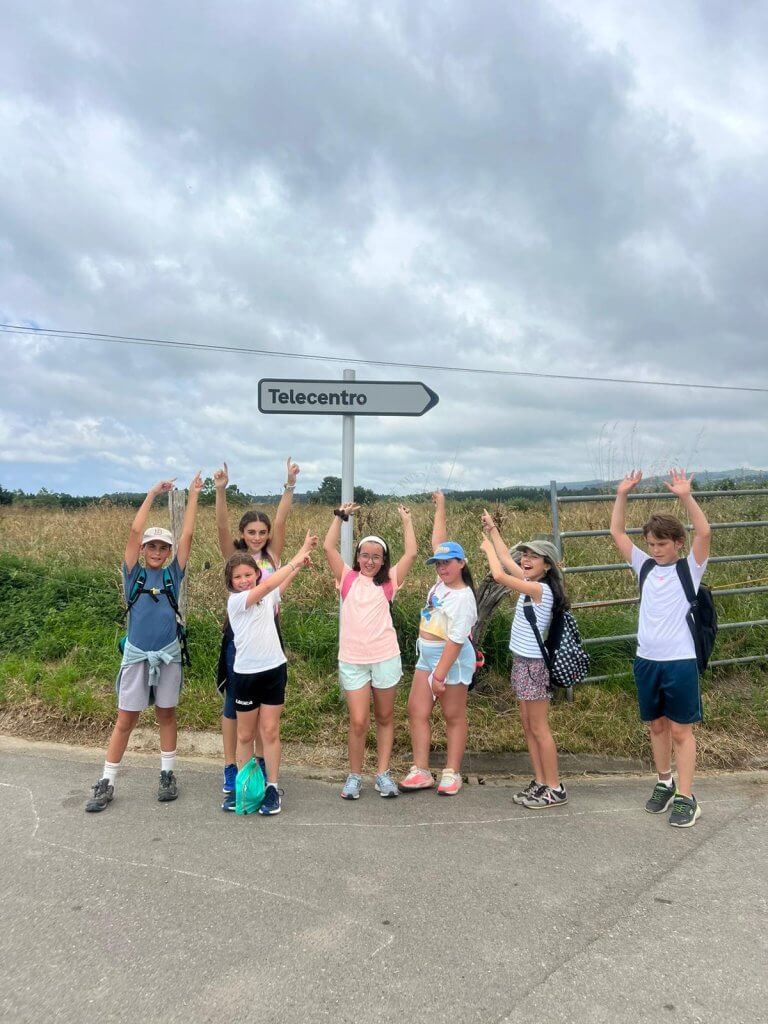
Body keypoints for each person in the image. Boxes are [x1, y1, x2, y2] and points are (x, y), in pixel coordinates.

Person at [85, 473, 203, 812]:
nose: (156, 551)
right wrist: (152, 493)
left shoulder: (172, 574)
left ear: (169, 552)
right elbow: (135, 531)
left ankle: (167, 775)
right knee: (126, 719)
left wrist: (194, 493)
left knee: (167, 714)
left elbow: (188, 534)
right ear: (142, 550)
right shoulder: (133, 575)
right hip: (137, 656)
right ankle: (107, 781)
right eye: (151, 546)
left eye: (163, 547)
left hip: (167, 656)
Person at [610, 469, 711, 828]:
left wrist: (686, 496)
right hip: (647, 661)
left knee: (681, 731)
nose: (655, 550)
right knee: (656, 727)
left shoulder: (690, 569)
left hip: (679, 662)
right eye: (651, 544)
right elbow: (617, 533)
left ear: (678, 543)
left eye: (662, 544)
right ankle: (664, 782)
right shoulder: (645, 566)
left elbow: (704, 532)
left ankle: (686, 796)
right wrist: (622, 494)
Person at [213, 457, 300, 810]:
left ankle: (262, 770)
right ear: (243, 533)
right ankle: (231, 769)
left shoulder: (273, 558)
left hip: (268, 635)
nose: (258, 537)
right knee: (234, 707)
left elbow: (281, 519)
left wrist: (289, 485)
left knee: (266, 714)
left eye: (262, 532)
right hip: (238, 640)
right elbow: (221, 526)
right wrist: (220, 490)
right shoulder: (234, 558)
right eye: (251, 532)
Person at [323, 502, 418, 799]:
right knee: (359, 720)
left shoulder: (389, 581)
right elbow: (328, 547)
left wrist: (406, 521)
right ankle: (354, 776)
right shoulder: (347, 578)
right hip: (353, 660)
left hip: (385, 657)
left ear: (384, 560)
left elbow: (411, 554)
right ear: (357, 556)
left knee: (385, 717)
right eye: (365, 555)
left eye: (376, 557)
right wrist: (340, 518)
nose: (370, 561)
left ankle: (382, 774)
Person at [224, 530, 318, 815]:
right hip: (245, 675)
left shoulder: (267, 596)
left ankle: (272, 788)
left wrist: (302, 554)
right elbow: (268, 585)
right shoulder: (237, 602)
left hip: (274, 670)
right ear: (231, 582)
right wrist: (294, 561)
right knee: (245, 735)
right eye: (238, 577)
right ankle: (245, 787)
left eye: (248, 575)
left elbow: (280, 583)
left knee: (270, 731)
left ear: (256, 574)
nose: (244, 580)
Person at [480, 515, 569, 808]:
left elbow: (499, 574)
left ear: (548, 565)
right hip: (522, 662)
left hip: (534, 667)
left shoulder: (541, 590)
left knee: (539, 728)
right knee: (529, 726)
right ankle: (541, 781)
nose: (526, 560)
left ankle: (555, 787)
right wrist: (493, 529)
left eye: (534, 557)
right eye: (526, 555)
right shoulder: (531, 581)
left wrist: (487, 549)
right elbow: (507, 560)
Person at [400, 492, 477, 796]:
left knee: (453, 716)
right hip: (427, 657)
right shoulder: (441, 584)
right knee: (417, 710)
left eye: (448, 563)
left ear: (461, 563)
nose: (442, 568)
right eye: (438, 564)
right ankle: (421, 770)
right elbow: (439, 541)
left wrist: (440, 676)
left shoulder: (463, 597)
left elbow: (456, 641)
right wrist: (440, 506)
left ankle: (452, 772)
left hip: (450, 661)